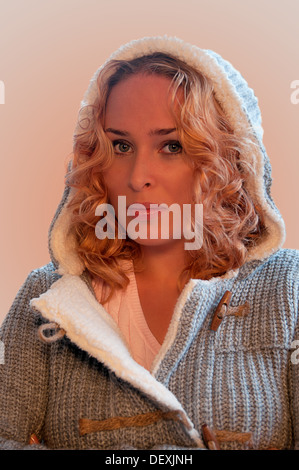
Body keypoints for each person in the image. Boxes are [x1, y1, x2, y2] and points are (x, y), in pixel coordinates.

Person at [0, 35, 298, 451]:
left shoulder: (290, 289)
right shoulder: (44, 299)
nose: (138, 175)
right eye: (120, 145)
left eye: (171, 146)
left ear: (228, 162)